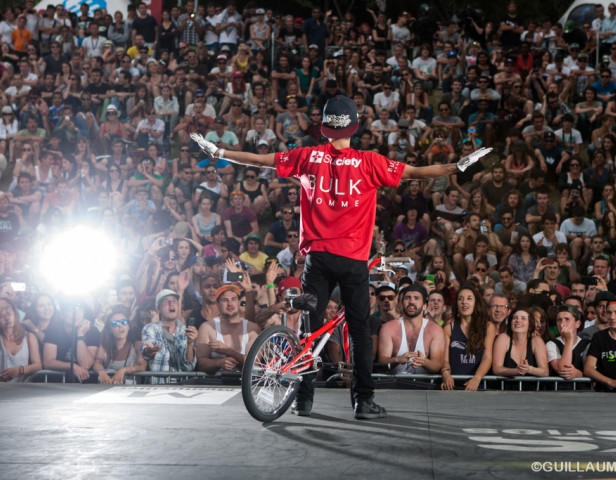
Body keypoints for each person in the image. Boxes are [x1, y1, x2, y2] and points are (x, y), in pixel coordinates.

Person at [190, 94, 486, 419]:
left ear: (324, 127)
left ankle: (303, 400)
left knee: (308, 330)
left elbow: (261, 161)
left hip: (317, 259)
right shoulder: (369, 162)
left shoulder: (308, 156)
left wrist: (219, 152)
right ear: (354, 127)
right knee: (360, 333)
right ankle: (363, 402)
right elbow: (416, 172)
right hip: (353, 261)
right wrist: (457, 166)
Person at [377, 284, 445, 375]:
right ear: (402, 304)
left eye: (416, 298)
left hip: (424, 386)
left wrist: (424, 362)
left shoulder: (435, 330)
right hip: (394, 384)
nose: (411, 301)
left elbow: (437, 365)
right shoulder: (388, 328)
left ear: (425, 306)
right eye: (407, 298)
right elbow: (381, 362)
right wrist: (397, 359)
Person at [440, 282, 497, 391]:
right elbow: (445, 359)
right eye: (460, 299)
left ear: (476, 303)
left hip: (478, 385)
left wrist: (477, 377)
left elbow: (487, 357)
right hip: (453, 385)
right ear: (456, 303)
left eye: (469, 298)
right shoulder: (449, 328)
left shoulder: (488, 327)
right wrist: (445, 373)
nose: (464, 302)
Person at [195, 284, 260, 373]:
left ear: (238, 302)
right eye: (225, 300)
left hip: (244, 384)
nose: (230, 303)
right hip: (217, 383)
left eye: (233, 299)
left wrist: (227, 350)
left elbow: (254, 365)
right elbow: (200, 363)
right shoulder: (207, 327)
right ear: (217, 304)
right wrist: (218, 363)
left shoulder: (252, 329)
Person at [140, 289, 197, 384]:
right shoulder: (151, 328)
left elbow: (189, 367)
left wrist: (190, 344)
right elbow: (145, 352)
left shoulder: (186, 330)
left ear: (178, 306)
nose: (171, 304)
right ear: (158, 309)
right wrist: (150, 350)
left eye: (174, 301)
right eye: (166, 301)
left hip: (182, 387)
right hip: (158, 387)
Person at [93, 305, 147, 384]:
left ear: (128, 326)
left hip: (131, 392)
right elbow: (97, 363)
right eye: (115, 324)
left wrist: (123, 370)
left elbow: (142, 365)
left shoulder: (137, 345)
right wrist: (101, 372)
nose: (120, 326)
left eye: (124, 322)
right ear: (110, 329)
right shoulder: (105, 345)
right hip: (109, 390)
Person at [492, 308, 548, 379]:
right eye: (515, 318)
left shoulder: (536, 341)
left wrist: (529, 369)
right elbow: (497, 369)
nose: (518, 321)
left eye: (523, 318)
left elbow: (545, 371)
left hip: (530, 389)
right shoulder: (503, 338)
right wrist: (516, 371)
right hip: (506, 388)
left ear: (530, 325)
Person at [0, 297, 41, 382]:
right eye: (1, 316)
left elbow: (38, 365)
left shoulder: (29, 337)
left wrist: (19, 370)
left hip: (22, 390)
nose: (7, 318)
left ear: (15, 314)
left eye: (8, 313)